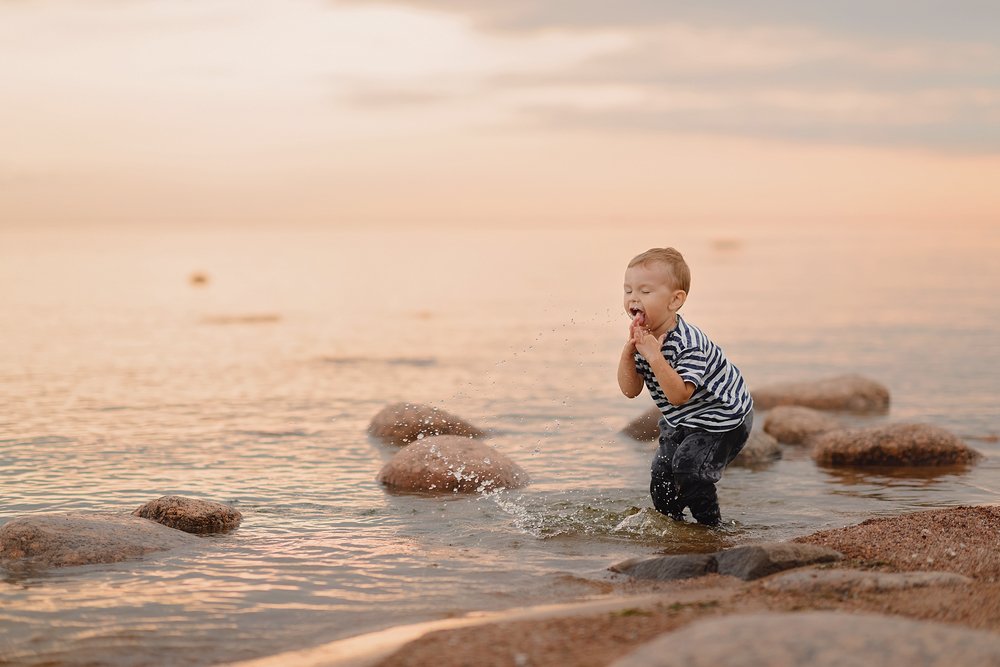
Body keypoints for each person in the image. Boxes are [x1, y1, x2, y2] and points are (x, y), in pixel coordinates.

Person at [617, 247, 753, 526]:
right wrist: (628, 353)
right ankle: (674, 527)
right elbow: (630, 390)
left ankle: (710, 529)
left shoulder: (687, 343)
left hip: (723, 418)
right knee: (661, 475)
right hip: (683, 418)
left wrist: (654, 356)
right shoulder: (645, 340)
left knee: (690, 471)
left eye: (645, 291)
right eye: (628, 290)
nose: (633, 298)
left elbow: (679, 395)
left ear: (675, 300)